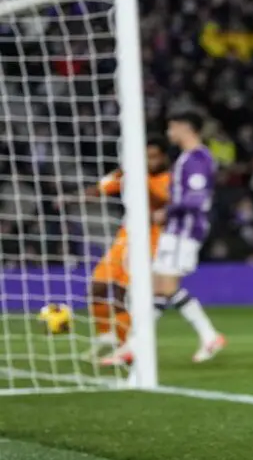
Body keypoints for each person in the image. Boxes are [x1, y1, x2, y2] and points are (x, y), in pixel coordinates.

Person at [102, 111, 226, 366]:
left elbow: (196, 199)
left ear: (185, 128)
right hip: (176, 230)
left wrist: (166, 212)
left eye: (172, 127)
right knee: (158, 289)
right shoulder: (188, 158)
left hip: (184, 230)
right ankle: (134, 347)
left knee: (165, 287)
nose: (169, 133)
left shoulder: (197, 158)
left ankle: (208, 335)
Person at [71, 138, 172, 361]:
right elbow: (101, 188)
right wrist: (71, 199)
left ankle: (126, 347)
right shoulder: (131, 174)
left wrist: (140, 178)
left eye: (154, 156)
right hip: (125, 238)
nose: (150, 161)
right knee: (96, 289)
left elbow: (162, 201)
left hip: (150, 242)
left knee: (121, 295)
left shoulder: (169, 179)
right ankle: (105, 337)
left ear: (163, 157)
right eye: (146, 157)